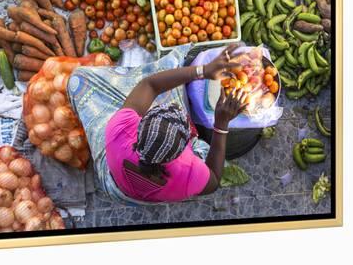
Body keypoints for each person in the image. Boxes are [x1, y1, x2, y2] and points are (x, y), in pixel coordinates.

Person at [104, 43, 248, 203]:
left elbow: (150, 85)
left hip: (118, 187)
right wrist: (221, 125)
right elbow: (214, 181)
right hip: (159, 194)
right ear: (181, 151)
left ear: (141, 125)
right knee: (203, 149)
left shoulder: (119, 128)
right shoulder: (187, 172)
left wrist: (204, 70)